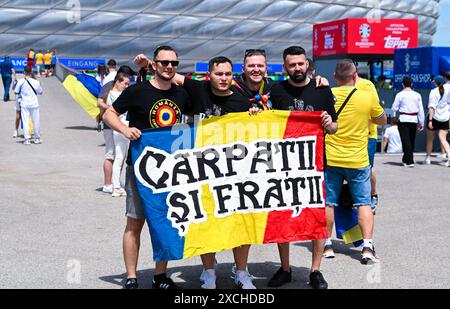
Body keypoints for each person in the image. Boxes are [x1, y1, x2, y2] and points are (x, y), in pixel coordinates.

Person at [103, 45, 190, 289]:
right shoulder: (138, 91)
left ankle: (160, 276)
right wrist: (124, 129)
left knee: (165, 222)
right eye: (164, 62)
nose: (169, 67)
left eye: (173, 63)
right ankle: (131, 277)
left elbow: (198, 120)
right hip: (140, 168)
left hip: (171, 170)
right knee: (134, 222)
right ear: (154, 64)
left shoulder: (181, 94)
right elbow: (109, 114)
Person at [172, 56, 257, 289]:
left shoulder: (242, 102)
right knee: (205, 223)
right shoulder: (197, 89)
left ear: (233, 76)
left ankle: (241, 272)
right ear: (209, 75)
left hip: (234, 173)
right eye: (219, 74)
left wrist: (257, 118)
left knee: (241, 224)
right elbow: (170, 74)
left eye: (228, 74)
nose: (223, 78)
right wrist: (148, 64)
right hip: (202, 172)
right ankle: (209, 271)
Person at [268, 46, 337, 289]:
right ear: (285, 67)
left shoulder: (322, 88)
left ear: (307, 64)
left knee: (317, 216)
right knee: (283, 216)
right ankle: (285, 268)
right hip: (283, 165)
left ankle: (315, 271)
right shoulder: (276, 91)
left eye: (300, 64)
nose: (297, 68)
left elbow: (334, 127)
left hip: (315, 165)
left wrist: (329, 123)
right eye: (292, 65)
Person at [325, 59, 386, 266]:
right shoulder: (366, 95)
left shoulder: (327, 95)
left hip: (331, 158)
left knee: (329, 203)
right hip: (358, 159)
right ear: (355, 76)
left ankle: (326, 244)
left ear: (335, 77)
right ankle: (367, 247)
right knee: (363, 203)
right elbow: (381, 119)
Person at [103, 73, 131, 197]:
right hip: (123, 126)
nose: (127, 86)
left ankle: (116, 186)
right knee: (121, 158)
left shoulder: (109, 94)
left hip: (116, 127)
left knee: (119, 158)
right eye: (125, 83)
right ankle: (117, 186)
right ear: (117, 82)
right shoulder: (119, 95)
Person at [391, 76, 425, 167]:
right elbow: (420, 109)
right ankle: (406, 159)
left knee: (405, 141)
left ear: (403, 84)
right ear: (412, 84)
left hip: (403, 119)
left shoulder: (400, 94)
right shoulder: (417, 95)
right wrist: (421, 122)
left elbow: (394, 107)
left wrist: (395, 115)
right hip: (413, 120)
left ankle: (410, 161)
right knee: (411, 140)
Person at [423, 75, 450, 166]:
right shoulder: (447, 90)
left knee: (430, 139)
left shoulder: (433, 92)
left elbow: (431, 107)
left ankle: (428, 158)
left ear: (435, 82)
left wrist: (430, 120)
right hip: (445, 117)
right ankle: (449, 157)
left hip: (434, 118)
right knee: (443, 138)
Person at [14, 66, 43, 145]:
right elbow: (40, 92)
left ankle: (27, 139)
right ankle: (37, 138)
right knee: (36, 121)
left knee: (26, 121)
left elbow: (16, 91)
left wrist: (19, 100)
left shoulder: (21, 81)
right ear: (31, 71)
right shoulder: (36, 81)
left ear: (24, 72)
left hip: (24, 104)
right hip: (34, 104)